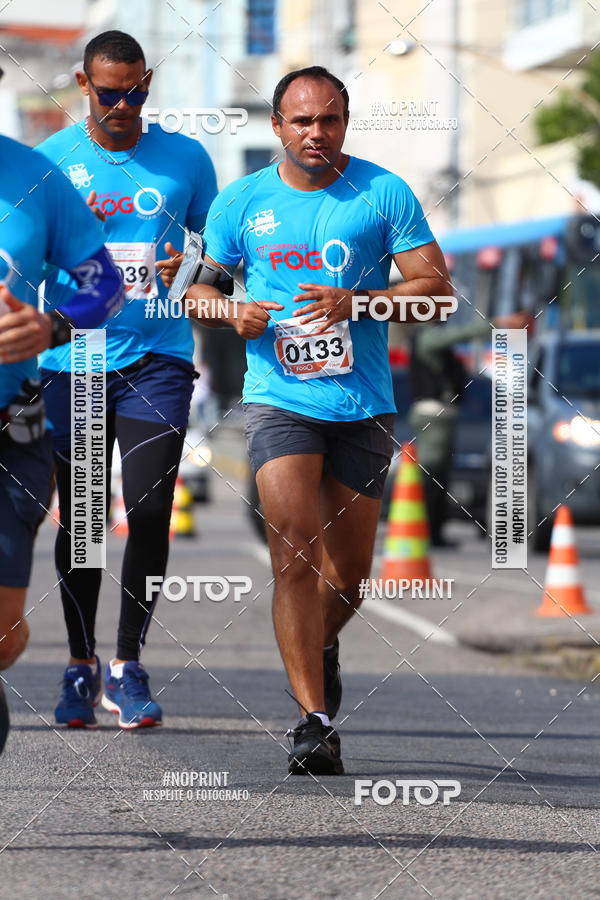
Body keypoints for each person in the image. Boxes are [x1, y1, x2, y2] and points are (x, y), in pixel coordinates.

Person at [169, 66, 454, 773]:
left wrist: (358, 300)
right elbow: (191, 294)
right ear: (277, 127)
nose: (316, 133)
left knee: (350, 576)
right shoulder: (240, 203)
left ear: (345, 122)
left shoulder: (383, 193)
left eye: (328, 120)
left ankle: (320, 648)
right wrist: (231, 309)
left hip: (362, 404)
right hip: (278, 400)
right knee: (293, 550)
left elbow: (437, 297)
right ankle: (313, 719)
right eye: (301, 121)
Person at [36, 31, 217, 730]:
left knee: (146, 510)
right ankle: (80, 666)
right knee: (83, 521)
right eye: (108, 92)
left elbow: (224, 255)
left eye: (135, 90)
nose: (122, 104)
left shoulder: (186, 158)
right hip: (72, 361)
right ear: (83, 84)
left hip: (158, 356)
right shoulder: (50, 161)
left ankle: (128, 665)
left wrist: (194, 272)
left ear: (149, 83)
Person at [0, 63, 124, 751]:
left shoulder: (38, 179)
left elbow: (104, 286)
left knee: (2, 636)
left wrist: (52, 326)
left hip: (12, 422)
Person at [409, 312, 531, 547]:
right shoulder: (428, 336)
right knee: (432, 475)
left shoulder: (428, 336)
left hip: (439, 415)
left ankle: (434, 531)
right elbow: (460, 334)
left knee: (439, 476)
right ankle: (429, 533)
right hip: (433, 415)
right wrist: (498, 324)